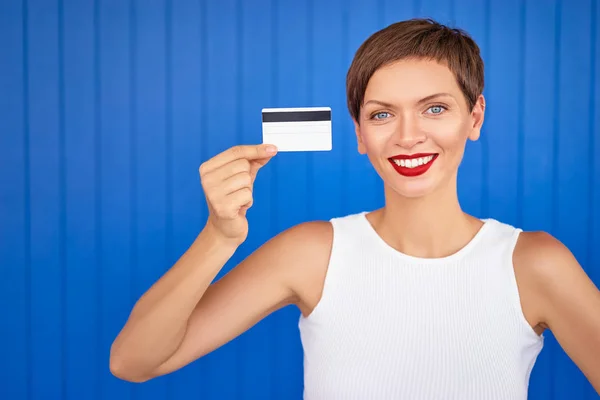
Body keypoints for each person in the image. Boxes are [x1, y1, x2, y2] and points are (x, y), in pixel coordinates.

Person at [109, 18, 600, 398]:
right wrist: (219, 236)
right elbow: (133, 361)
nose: (408, 136)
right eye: (382, 114)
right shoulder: (311, 254)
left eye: (435, 108)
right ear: (359, 134)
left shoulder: (535, 264)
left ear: (475, 116)